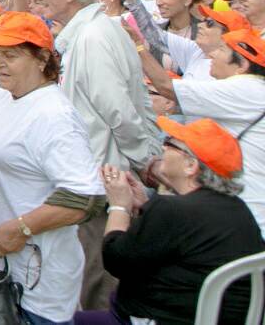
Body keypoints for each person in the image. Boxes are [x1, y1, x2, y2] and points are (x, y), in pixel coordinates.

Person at [0, 12, 104, 325]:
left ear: (42, 59)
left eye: (11, 55)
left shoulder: (54, 116)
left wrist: (22, 228)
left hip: (33, 289)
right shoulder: (4, 99)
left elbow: (86, 196)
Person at [27, 0, 159, 310]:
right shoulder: (92, 32)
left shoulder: (93, 37)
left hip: (104, 177)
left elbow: (118, 110)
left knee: (100, 284)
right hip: (103, 173)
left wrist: (146, 162)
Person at [88, 117, 265, 325]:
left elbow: (115, 259)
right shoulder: (237, 208)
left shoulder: (172, 209)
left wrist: (119, 205)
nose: (164, 146)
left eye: (171, 143)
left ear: (191, 165)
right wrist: (145, 208)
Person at [132, 24, 265, 232]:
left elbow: (166, 87)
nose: (212, 54)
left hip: (249, 213)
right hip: (243, 211)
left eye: (221, 49)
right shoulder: (253, 90)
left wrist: (139, 47)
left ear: (242, 65)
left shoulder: (246, 88)